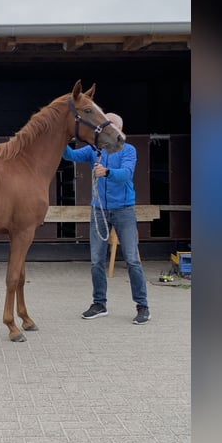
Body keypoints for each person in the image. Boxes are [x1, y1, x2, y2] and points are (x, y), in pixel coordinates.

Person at [62, 112, 150, 324]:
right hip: (99, 210)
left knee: (132, 259)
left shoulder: (129, 150)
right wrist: (62, 137)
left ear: (117, 129)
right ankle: (99, 303)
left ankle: (142, 305)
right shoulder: (95, 150)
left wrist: (107, 172)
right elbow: (70, 156)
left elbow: (127, 174)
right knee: (96, 260)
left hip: (124, 210)